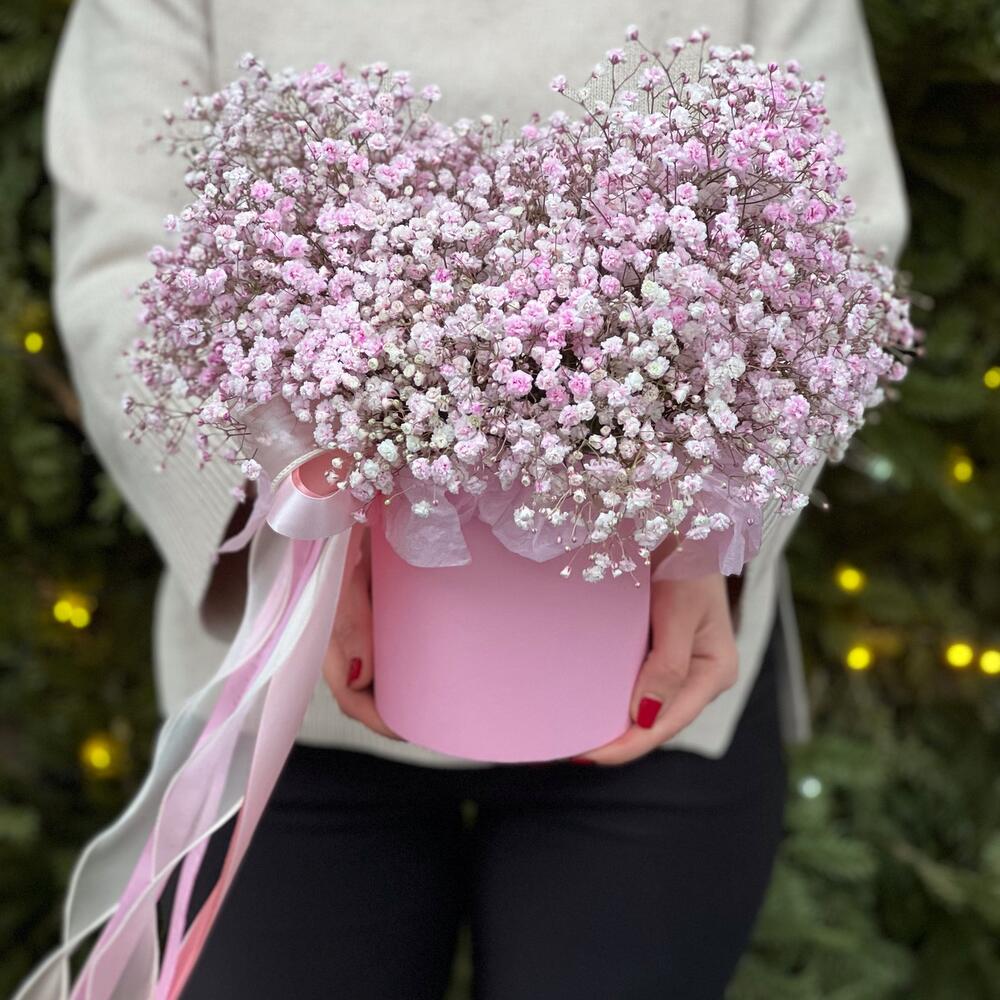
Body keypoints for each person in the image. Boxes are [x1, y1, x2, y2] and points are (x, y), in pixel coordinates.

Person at [42, 1, 908, 997]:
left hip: (651, 673)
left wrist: (706, 531)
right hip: (288, 712)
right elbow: (126, 268)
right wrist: (297, 531)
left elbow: (836, 230)